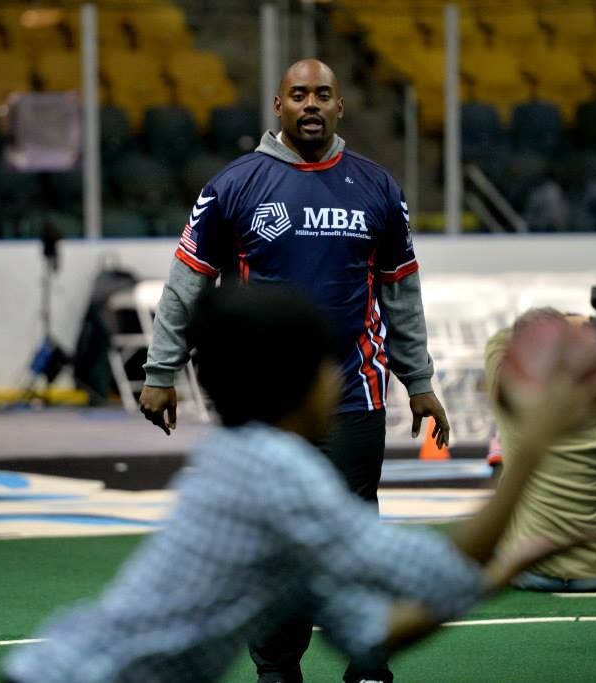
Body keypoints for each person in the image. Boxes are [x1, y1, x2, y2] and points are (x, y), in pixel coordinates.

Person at [1, 285, 596, 683]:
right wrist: (534, 442)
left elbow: (376, 629)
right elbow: (433, 569)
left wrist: (508, 566)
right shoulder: (276, 473)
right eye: (330, 366)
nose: (341, 379)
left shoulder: (252, 464)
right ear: (294, 384)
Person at [138, 58, 449, 683]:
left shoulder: (379, 188)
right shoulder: (233, 186)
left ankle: (367, 667)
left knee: (358, 539)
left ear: (340, 108)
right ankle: (276, 671)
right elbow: (186, 285)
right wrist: (160, 368)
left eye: (324, 95)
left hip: (355, 395)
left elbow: (400, 295)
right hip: (268, 407)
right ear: (278, 107)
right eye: (299, 94)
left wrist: (418, 382)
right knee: (275, 543)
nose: (311, 104)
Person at [485, 308, 596, 593]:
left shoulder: (513, 399)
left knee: (505, 517)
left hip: (527, 572)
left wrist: (558, 327)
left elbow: (498, 342)